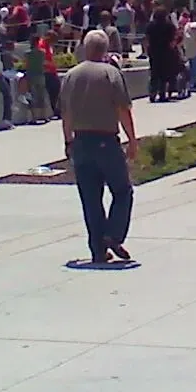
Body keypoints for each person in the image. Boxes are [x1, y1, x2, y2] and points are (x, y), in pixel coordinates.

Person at [59, 29, 138, 263]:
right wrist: (132, 140)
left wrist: (68, 141)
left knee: (91, 198)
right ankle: (113, 235)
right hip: (106, 141)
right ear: (105, 50)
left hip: (81, 141)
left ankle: (97, 249)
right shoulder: (110, 73)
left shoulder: (71, 76)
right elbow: (123, 109)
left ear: (85, 48)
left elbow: (66, 113)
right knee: (123, 191)